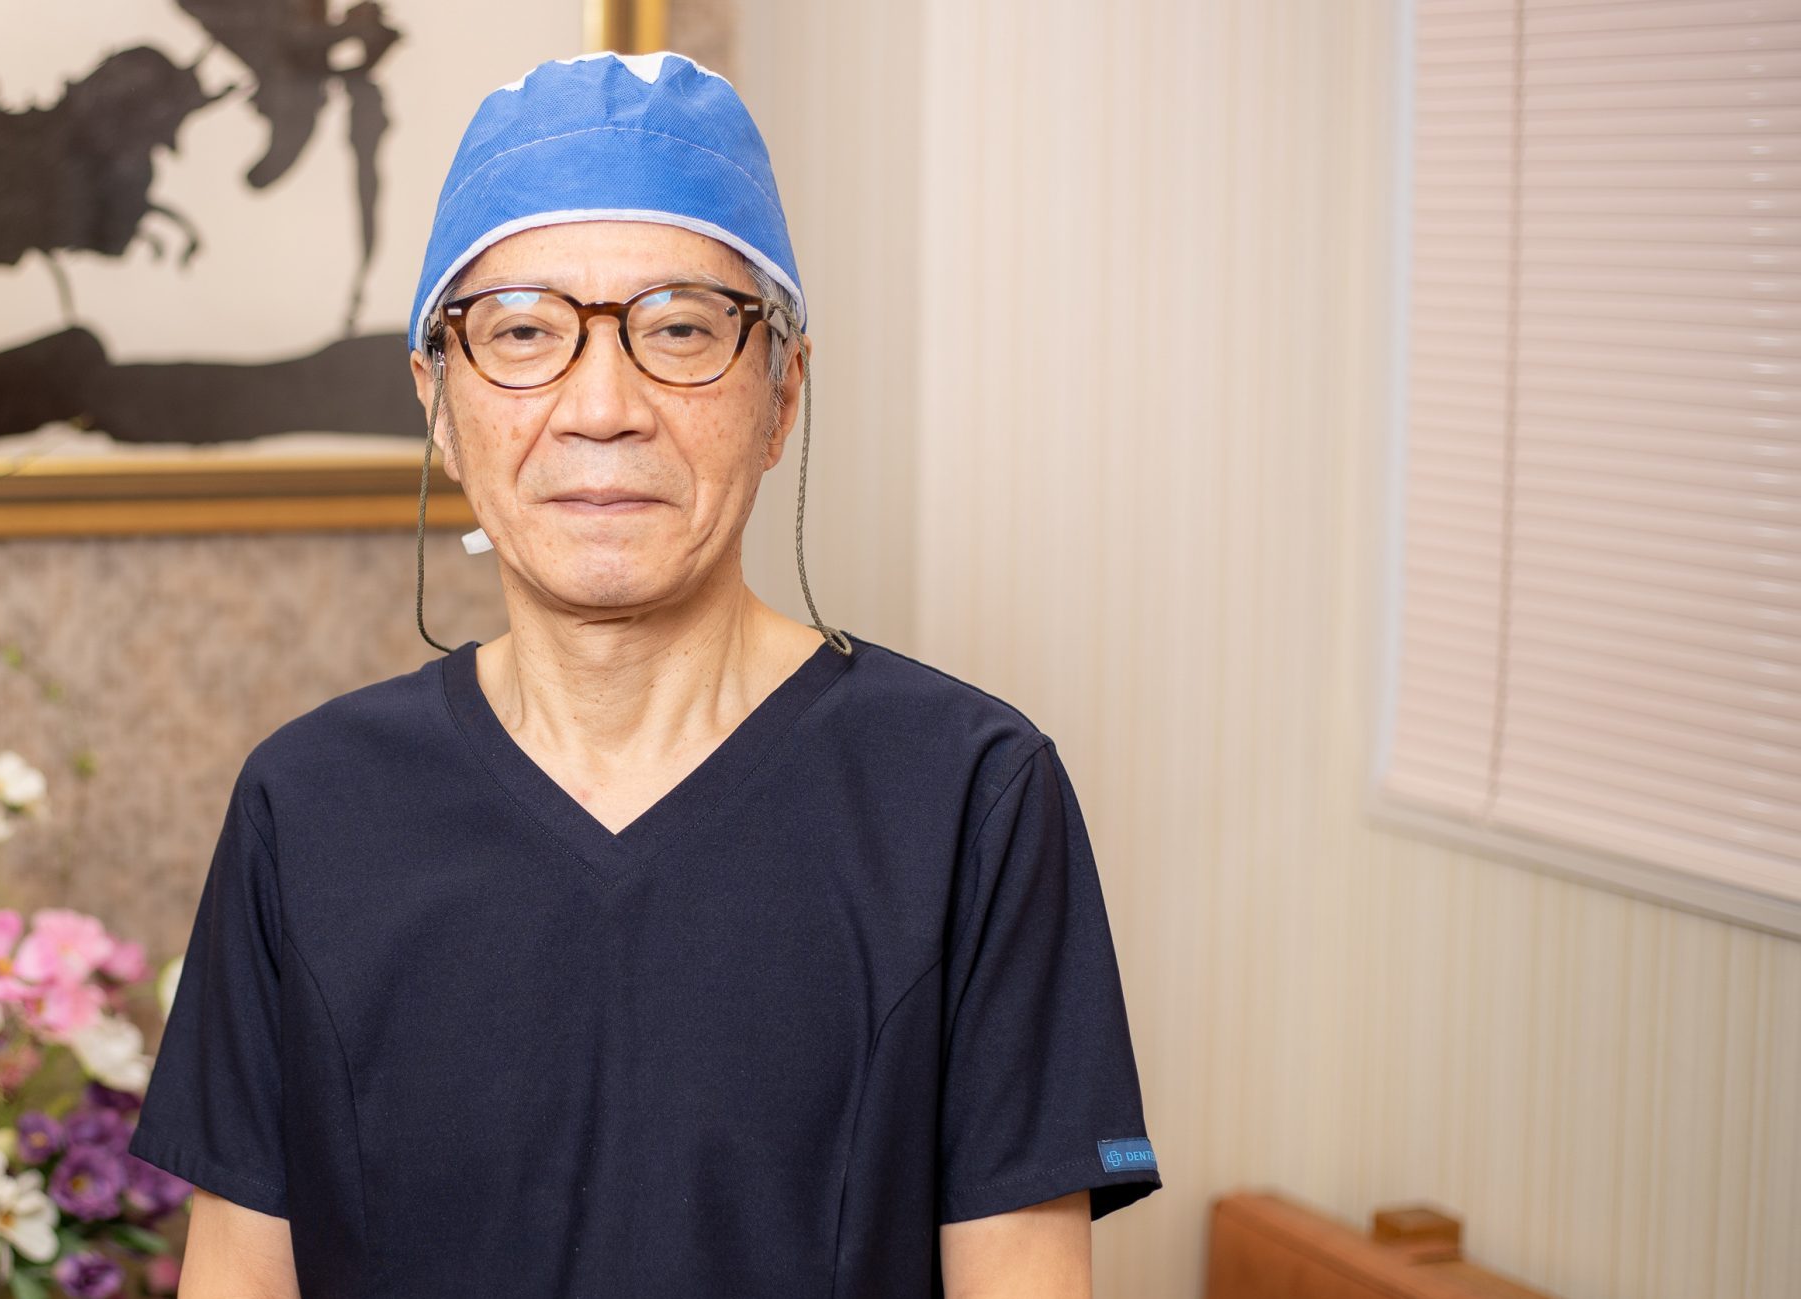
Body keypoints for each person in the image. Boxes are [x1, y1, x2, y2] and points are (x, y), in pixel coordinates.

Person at [126, 49, 1159, 1298]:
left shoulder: (965, 798)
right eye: (523, 334)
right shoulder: (310, 804)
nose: (602, 407)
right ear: (438, 403)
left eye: (679, 330)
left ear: (781, 394)